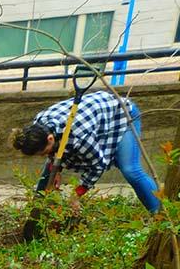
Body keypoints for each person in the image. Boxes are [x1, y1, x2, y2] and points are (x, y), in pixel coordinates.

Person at [13, 90, 161, 214]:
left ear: (50, 138)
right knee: (49, 170)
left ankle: (161, 215)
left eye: (44, 152)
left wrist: (77, 194)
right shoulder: (39, 124)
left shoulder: (78, 136)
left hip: (121, 114)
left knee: (130, 169)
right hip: (96, 117)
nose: (45, 155)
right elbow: (54, 151)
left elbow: (97, 165)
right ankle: (39, 209)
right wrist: (55, 168)